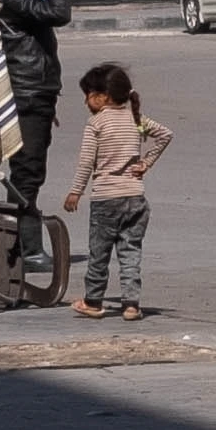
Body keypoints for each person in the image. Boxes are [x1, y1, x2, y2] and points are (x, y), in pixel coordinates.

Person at [62, 60, 165, 321]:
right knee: (130, 252)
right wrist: (146, 163)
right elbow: (165, 134)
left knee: (99, 254)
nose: (86, 102)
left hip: (106, 199)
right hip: (135, 198)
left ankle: (93, 301)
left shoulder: (96, 124)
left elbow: (86, 162)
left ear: (102, 97)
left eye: (88, 96)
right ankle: (131, 305)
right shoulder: (136, 118)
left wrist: (75, 192)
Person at [0, 0, 66, 218]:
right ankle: (25, 246)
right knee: (27, 170)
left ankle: (25, 244)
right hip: (27, 92)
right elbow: (59, 14)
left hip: (36, 91)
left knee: (32, 169)